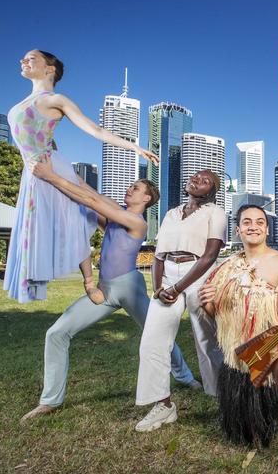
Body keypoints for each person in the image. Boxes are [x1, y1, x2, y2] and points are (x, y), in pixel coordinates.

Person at [20, 158, 199, 421]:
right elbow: (88, 193)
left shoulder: (137, 222)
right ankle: (49, 400)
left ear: (147, 198)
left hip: (129, 287)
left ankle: (184, 376)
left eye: (136, 188)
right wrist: (59, 167)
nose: (130, 188)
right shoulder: (115, 214)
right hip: (104, 291)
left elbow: (92, 202)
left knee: (158, 334)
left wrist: (50, 176)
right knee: (56, 333)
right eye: (131, 185)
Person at [4, 49, 158, 304]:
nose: (23, 60)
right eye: (22, 58)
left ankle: (88, 282)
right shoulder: (24, 102)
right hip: (34, 169)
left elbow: (95, 130)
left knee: (78, 214)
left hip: (48, 167)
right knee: (44, 223)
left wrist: (135, 148)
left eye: (31, 58)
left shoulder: (56, 99)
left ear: (49, 68)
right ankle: (46, 284)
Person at [199, 204, 278, 474]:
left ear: (266, 229)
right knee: (243, 435)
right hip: (241, 355)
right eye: (247, 221)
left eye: (260, 221)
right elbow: (217, 319)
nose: (254, 225)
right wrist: (206, 305)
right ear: (238, 229)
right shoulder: (225, 268)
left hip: (275, 346)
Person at [134, 170, 227, 432]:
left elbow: (209, 256)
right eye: (196, 176)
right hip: (168, 277)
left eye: (205, 180)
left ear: (212, 191)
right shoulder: (171, 213)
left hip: (199, 274)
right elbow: (158, 255)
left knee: (208, 341)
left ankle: (224, 398)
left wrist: (177, 287)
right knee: (152, 341)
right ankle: (163, 405)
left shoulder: (215, 212)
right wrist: (158, 287)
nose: (197, 180)